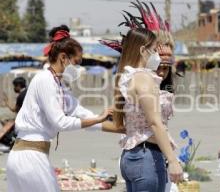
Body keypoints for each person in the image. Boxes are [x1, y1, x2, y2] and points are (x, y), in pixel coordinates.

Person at [6, 25, 114, 192]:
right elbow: (60, 122)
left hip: (30, 155)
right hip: (29, 157)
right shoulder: (45, 80)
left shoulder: (58, 85)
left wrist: (114, 124)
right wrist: (98, 118)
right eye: (77, 62)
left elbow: (80, 112)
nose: (79, 68)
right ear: (63, 57)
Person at [114, 27, 182, 192]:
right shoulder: (144, 78)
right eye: (153, 50)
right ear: (143, 50)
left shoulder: (127, 77)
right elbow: (154, 122)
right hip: (147, 157)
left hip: (131, 156)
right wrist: (173, 161)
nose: (156, 56)